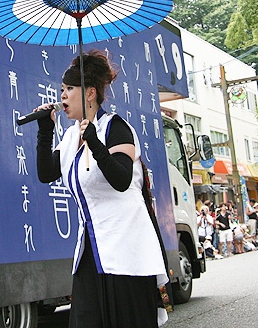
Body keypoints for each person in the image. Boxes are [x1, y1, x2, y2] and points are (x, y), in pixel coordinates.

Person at [35, 50, 168, 327]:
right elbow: (46, 174)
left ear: (90, 93)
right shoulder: (70, 137)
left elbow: (121, 180)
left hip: (127, 249)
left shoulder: (116, 128)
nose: (62, 96)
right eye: (61, 90)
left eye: (69, 89)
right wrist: (45, 131)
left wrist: (95, 142)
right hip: (91, 248)